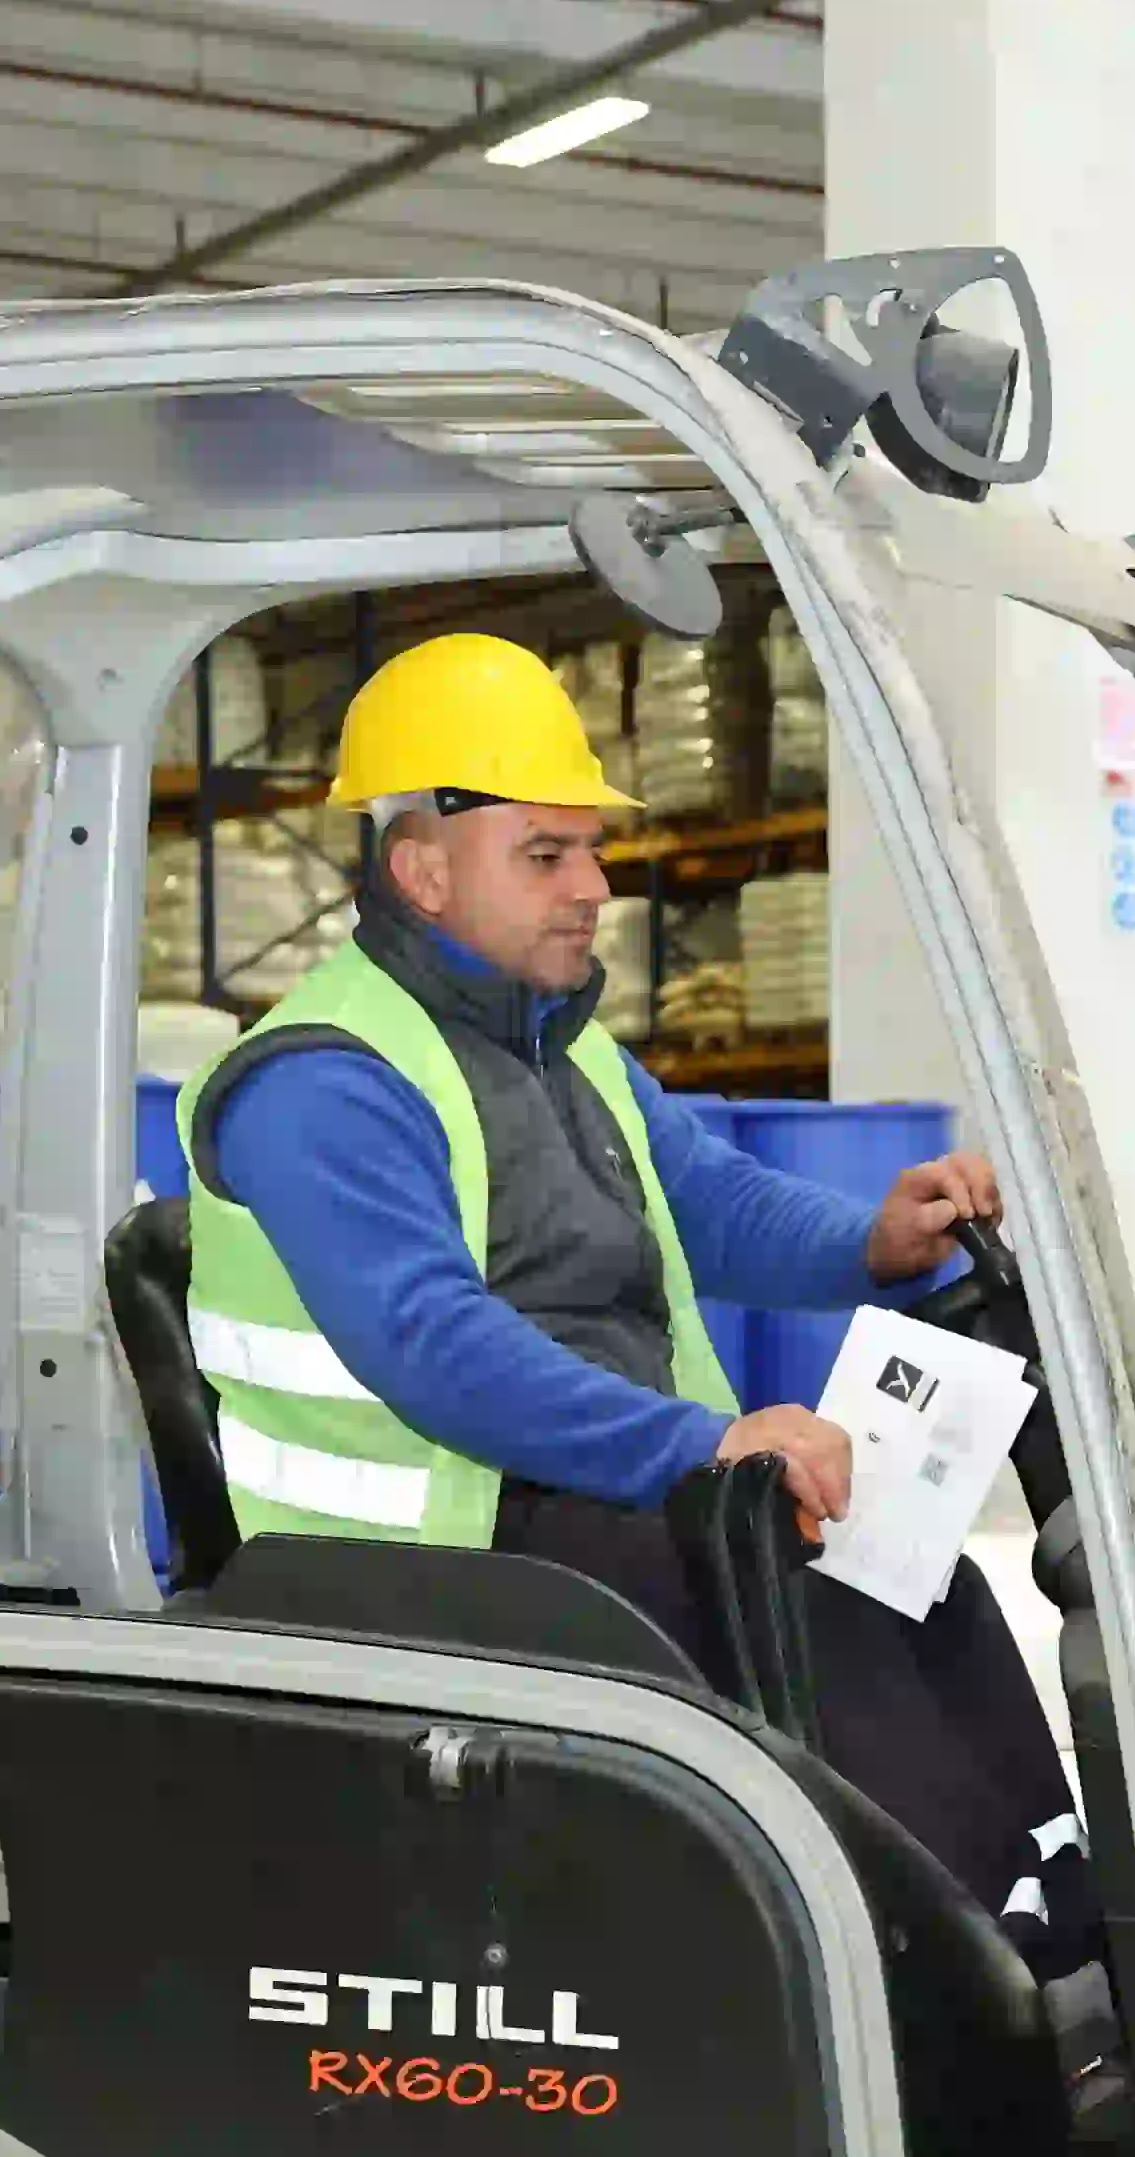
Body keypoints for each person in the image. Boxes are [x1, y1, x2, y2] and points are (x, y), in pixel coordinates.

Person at [184, 632, 1081, 1935]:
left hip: (579, 1494)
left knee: (916, 1567)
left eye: (589, 851)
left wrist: (872, 1244)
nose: (591, 885)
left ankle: (1060, 1899)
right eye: (545, 855)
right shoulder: (322, 1082)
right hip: (433, 1546)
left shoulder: (561, 1046)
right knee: (808, 1606)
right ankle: (950, 1966)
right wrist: (704, 1444)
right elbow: (432, 1346)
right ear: (422, 868)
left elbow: (706, 1204)